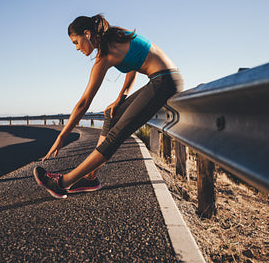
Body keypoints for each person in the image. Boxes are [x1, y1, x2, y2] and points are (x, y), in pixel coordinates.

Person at [34, 14, 183, 198]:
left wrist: (62, 136)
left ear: (86, 34)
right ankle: (90, 178)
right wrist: (121, 97)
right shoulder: (116, 37)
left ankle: (64, 182)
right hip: (161, 79)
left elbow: (83, 103)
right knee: (112, 114)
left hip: (164, 81)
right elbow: (133, 65)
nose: (77, 48)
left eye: (76, 42)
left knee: (115, 136)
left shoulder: (106, 55)